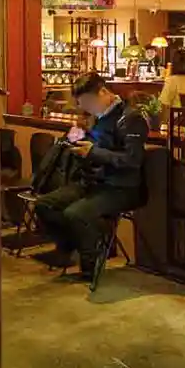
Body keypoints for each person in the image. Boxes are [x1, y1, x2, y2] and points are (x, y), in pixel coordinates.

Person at [34, 73, 148, 277]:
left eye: (88, 102)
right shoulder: (98, 118)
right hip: (92, 181)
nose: (87, 107)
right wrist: (77, 141)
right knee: (45, 205)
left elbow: (131, 160)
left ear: (103, 92)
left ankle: (91, 265)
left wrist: (92, 151)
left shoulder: (131, 118)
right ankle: (71, 247)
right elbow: (95, 145)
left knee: (76, 213)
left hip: (120, 187)